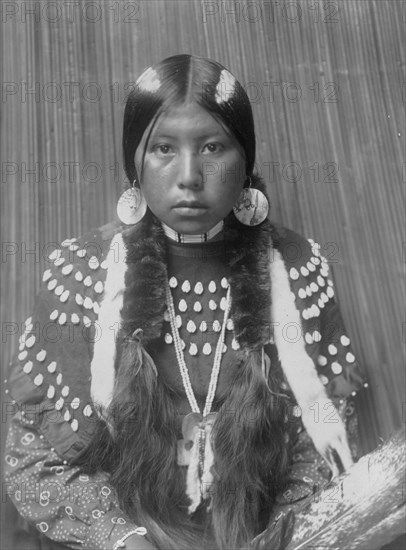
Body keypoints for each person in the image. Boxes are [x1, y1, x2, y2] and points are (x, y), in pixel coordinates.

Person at [4, 54, 367, 550]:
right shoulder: (80, 275)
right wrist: (124, 540)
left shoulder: (298, 268)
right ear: (135, 161)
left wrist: (278, 538)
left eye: (214, 147)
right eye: (163, 149)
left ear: (246, 161)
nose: (190, 175)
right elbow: (33, 459)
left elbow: (323, 442)